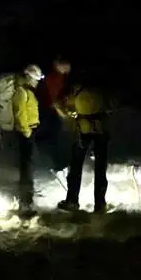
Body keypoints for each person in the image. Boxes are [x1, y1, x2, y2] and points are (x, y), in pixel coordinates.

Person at [57, 79, 111, 213]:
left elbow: (63, 105)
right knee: (100, 168)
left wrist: (70, 113)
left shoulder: (76, 89)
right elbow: (111, 106)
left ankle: (72, 201)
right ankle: (100, 204)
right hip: (101, 129)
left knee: (76, 166)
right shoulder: (102, 88)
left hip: (82, 129)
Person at [10, 64, 43, 216]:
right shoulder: (21, 92)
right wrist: (27, 131)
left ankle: (27, 199)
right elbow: (19, 113)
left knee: (28, 165)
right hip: (26, 132)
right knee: (26, 167)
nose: (37, 82)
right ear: (29, 77)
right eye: (35, 79)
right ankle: (25, 202)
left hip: (30, 131)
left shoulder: (27, 90)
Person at [37, 55, 73, 173]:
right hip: (50, 109)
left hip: (52, 108)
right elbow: (54, 98)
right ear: (60, 66)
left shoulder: (60, 76)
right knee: (53, 135)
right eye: (66, 67)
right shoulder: (54, 77)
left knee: (55, 135)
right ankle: (56, 163)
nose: (67, 70)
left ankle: (55, 161)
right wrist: (62, 111)